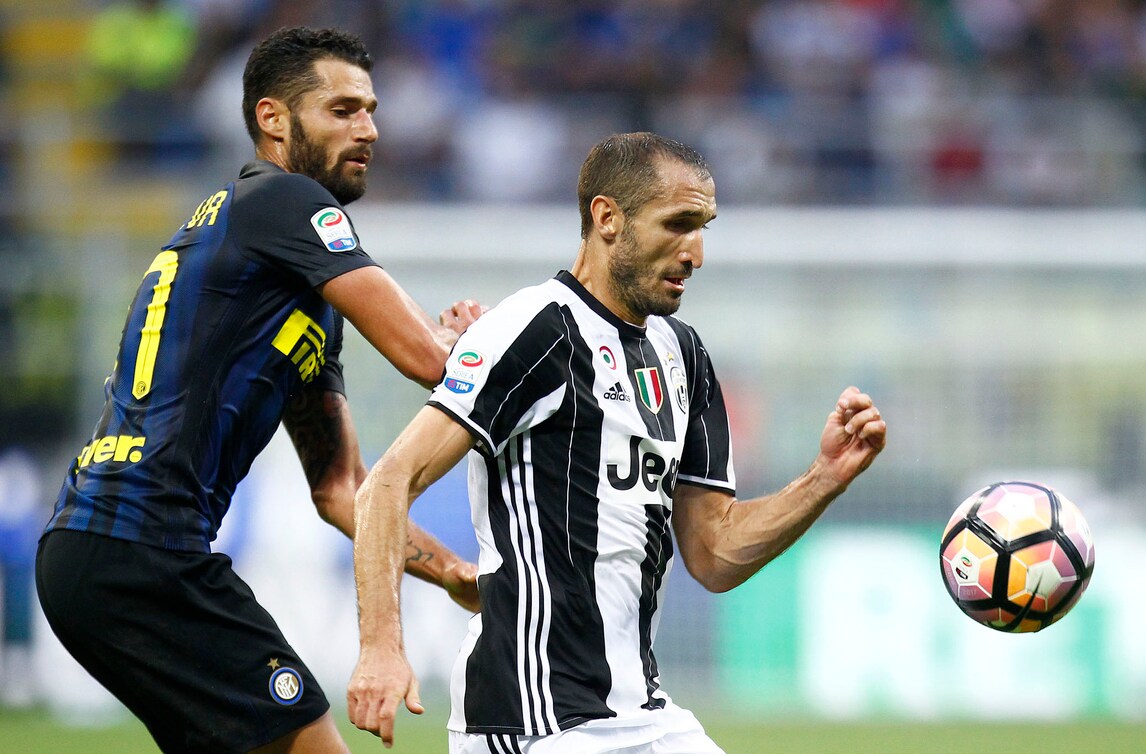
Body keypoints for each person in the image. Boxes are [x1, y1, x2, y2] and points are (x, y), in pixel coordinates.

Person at [347, 131, 888, 752]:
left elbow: (715, 552)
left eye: (703, 228)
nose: (696, 253)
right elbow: (387, 483)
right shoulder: (535, 331)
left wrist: (824, 478)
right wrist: (381, 648)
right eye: (678, 224)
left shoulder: (683, 354)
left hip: (643, 712)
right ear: (607, 218)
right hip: (534, 717)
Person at [36, 26, 483, 754]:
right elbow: (429, 360)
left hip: (97, 553)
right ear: (273, 119)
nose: (368, 129)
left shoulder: (286, 289)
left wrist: (452, 572)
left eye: (371, 111)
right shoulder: (284, 200)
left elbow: (342, 490)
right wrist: (476, 339)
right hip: (145, 547)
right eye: (342, 110)